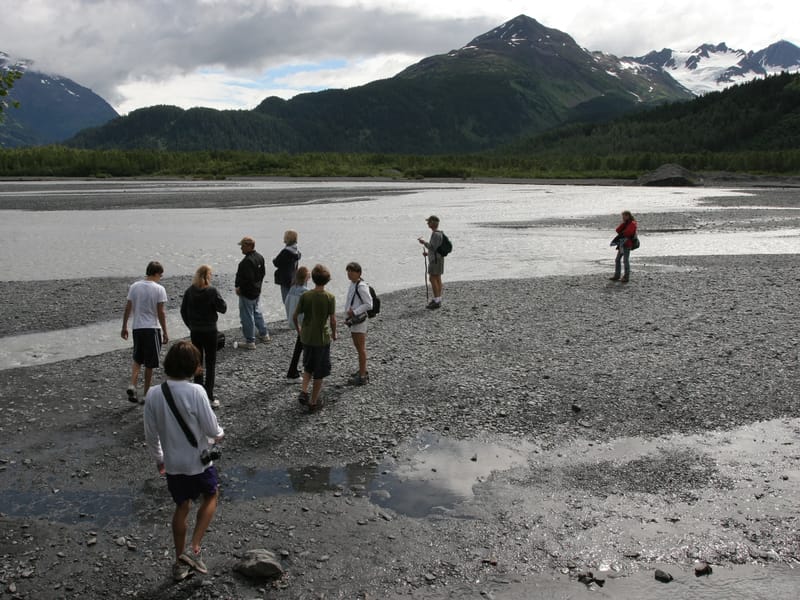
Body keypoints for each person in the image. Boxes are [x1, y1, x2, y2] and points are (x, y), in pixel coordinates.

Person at [143, 341, 224, 582]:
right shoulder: (196, 391)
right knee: (211, 495)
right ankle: (194, 547)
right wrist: (219, 434)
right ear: (194, 366)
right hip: (197, 462)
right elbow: (211, 429)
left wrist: (160, 460)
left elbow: (150, 434)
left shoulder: (154, 393)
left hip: (173, 464)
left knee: (182, 506)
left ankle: (180, 563)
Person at [121, 261, 169, 403]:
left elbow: (128, 308)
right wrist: (165, 331)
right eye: (160, 275)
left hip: (137, 328)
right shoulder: (159, 289)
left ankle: (133, 384)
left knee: (137, 358)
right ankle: (147, 393)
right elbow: (161, 312)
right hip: (152, 328)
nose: (160, 277)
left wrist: (124, 326)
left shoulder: (134, 286)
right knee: (150, 363)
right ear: (156, 273)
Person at [180, 265, 227, 408]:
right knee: (211, 363)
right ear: (208, 276)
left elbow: (183, 311)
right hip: (210, 331)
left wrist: (190, 326)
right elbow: (223, 308)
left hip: (196, 331)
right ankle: (210, 396)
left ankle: (197, 395)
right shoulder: (212, 291)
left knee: (198, 362)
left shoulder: (190, 291)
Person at [293, 264, 337, 411]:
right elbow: (332, 320)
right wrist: (334, 333)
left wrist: (299, 330)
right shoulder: (330, 297)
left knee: (308, 366)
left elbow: (295, 316)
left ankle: (304, 391)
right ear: (327, 280)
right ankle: (313, 401)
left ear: (313, 279)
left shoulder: (306, 295)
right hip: (321, 338)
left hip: (307, 336)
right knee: (320, 371)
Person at [234, 236, 268, 349]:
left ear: (249, 246)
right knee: (257, 312)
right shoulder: (260, 257)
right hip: (256, 291)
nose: (241, 249)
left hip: (247, 293)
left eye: (242, 246)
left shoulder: (246, 262)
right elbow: (262, 274)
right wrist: (259, 286)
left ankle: (250, 341)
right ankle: (264, 334)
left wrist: (240, 289)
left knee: (247, 316)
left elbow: (247, 279)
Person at [344, 262, 373, 386]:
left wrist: (354, 312)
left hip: (359, 320)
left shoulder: (361, 286)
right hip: (354, 320)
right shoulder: (353, 284)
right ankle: (362, 371)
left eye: (352, 271)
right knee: (358, 347)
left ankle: (362, 376)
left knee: (360, 348)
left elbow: (369, 304)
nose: (349, 274)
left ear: (359, 273)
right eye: (348, 271)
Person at [284, 266, 310, 380]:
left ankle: (294, 371)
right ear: (306, 277)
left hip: (295, 322)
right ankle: (297, 372)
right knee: (305, 347)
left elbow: (287, 303)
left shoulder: (292, 288)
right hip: (304, 323)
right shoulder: (305, 291)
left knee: (300, 345)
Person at [418, 215, 445, 309]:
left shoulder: (435, 234)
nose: (427, 223)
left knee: (432, 279)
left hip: (435, 261)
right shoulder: (440, 233)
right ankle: (438, 298)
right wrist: (428, 254)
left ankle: (437, 300)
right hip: (439, 259)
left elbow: (432, 247)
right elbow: (435, 249)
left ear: (432, 223)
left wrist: (423, 242)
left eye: (429, 222)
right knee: (437, 278)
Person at [272, 229, 301, 304]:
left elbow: (276, 263)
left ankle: (290, 315)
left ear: (287, 238)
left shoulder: (285, 252)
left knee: (286, 301)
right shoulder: (296, 251)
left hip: (285, 279)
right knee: (293, 301)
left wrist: (274, 259)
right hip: (293, 277)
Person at [610, 211, 638, 283]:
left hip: (627, 244)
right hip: (622, 244)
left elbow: (628, 232)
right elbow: (618, 230)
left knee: (625, 260)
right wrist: (624, 223)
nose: (623, 217)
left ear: (628, 216)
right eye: (622, 216)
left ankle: (626, 277)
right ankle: (617, 275)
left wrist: (623, 232)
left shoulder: (632, 223)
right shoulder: (626, 223)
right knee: (617, 259)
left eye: (624, 216)